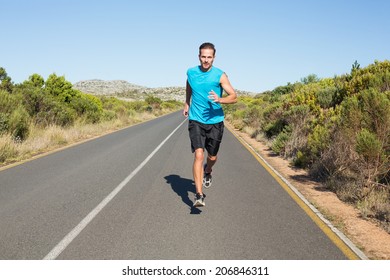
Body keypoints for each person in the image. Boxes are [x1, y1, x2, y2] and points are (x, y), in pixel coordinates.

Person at [183, 42, 237, 207]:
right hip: (196, 120)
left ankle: (208, 170)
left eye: (209, 57)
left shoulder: (220, 75)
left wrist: (220, 99)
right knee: (198, 155)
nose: (206, 60)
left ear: (214, 57)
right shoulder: (191, 72)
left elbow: (234, 97)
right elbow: (189, 86)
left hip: (215, 121)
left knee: (212, 157)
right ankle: (199, 195)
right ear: (198, 56)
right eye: (203, 56)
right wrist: (187, 103)